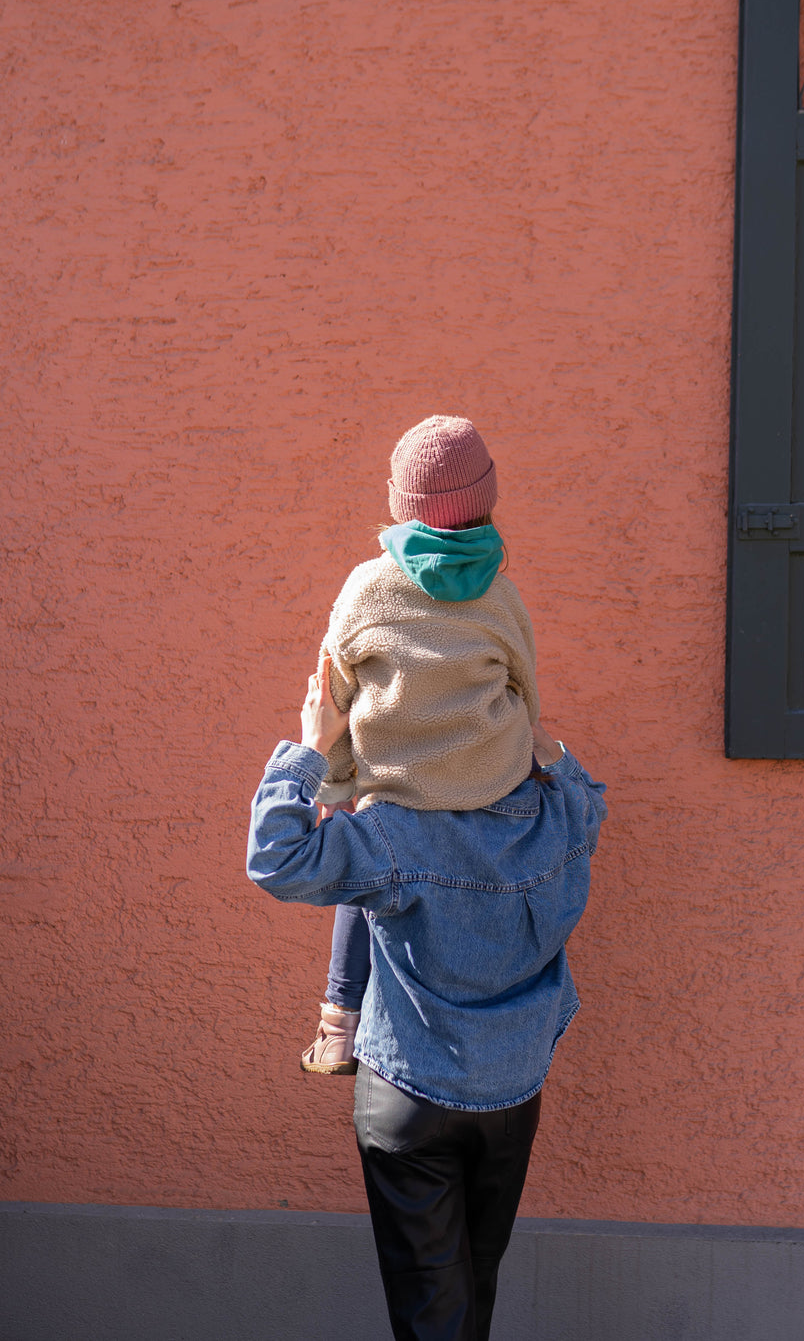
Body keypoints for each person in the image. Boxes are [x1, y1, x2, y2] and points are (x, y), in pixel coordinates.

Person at [247, 661, 606, 1341]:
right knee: (474, 1289)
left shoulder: (393, 830)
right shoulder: (557, 813)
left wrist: (312, 743)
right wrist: (531, 727)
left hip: (410, 1092)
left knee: (434, 1312)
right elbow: (586, 793)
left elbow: (276, 856)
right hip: (512, 1089)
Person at [298, 414, 541, 1075]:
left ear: (402, 503)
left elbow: (333, 695)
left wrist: (336, 789)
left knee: (361, 875)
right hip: (491, 788)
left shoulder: (367, 587)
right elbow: (527, 689)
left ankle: (337, 1026)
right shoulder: (500, 593)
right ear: (484, 498)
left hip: (395, 799)